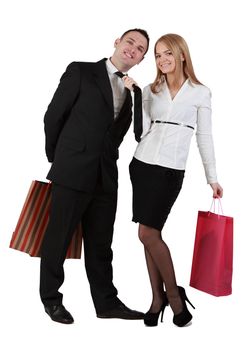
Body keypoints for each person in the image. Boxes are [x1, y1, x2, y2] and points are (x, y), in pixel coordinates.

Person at [40, 28, 149, 324]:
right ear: (117, 42)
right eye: (130, 42)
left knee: (101, 243)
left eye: (140, 49)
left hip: (105, 174)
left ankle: (107, 303)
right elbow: (54, 116)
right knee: (58, 238)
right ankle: (51, 299)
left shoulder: (133, 91)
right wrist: (58, 158)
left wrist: (136, 95)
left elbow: (134, 134)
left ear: (140, 59)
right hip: (72, 169)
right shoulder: (81, 71)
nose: (133, 49)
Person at [123, 33, 223, 327]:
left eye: (168, 53)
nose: (162, 60)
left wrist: (212, 177)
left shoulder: (200, 92)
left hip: (170, 171)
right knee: (148, 235)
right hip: (142, 164)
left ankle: (173, 297)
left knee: (147, 234)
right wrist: (136, 95)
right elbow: (140, 130)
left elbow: (204, 136)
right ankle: (157, 298)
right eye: (156, 55)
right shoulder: (152, 89)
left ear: (181, 55)